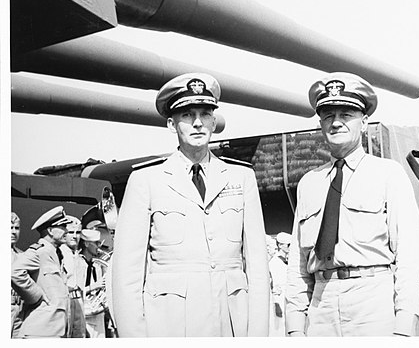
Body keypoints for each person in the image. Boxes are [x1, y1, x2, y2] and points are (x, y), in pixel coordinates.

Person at [111, 72, 270, 337]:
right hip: (170, 328)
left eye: (205, 114)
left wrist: (258, 335)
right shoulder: (146, 180)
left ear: (214, 121)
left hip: (230, 326)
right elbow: (126, 275)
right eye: (187, 115)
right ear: (172, 125)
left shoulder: (241, 177)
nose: (197, 123)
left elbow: (257, 266)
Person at [286, 72, 419, 337]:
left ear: (364, 122)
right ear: (320, 124)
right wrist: (294, 327)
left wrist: (405, 323)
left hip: (372, 302)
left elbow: (410, 253)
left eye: (346, 114)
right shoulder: (309, 183)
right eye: (328, 116)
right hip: (321, 304)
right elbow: (297, 263)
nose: (336, 123)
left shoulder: (388, 174)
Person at [11, 206, 71, 338]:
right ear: (50, 230)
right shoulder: (39, 251)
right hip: (40, 329)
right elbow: (15, 272)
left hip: (53, 329)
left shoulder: (55, 253)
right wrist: (37, 296)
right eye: (62, 227)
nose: (66, 231)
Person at [59, 215, 86, 338]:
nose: (75, 236)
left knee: (79, 335)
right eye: (71, 232)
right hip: (66, 300)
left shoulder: (78, 256)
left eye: (78, 232)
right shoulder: (59, 253)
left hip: (79, 300)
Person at [77, 229, 108, 338]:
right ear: (86, 244)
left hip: (98, 315)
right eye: (96, 243)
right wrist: (94, 286)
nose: (98, 246)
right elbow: (73, 292)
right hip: (84, 315)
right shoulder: (77, 263)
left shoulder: (97, 266)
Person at [269, 232, 291, 336]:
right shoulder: (274, 262)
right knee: (279, 328)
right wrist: (276, 303)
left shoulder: (289, 261)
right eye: (288, 245)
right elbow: (275, 285)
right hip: (280, 298)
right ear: (280, 245)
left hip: (289, 296)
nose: (290, 247)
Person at [11, 212, 24, 338]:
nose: (14, 232)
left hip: (20, 309)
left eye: (16, 228)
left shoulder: (22, 255)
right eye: (10, 228)